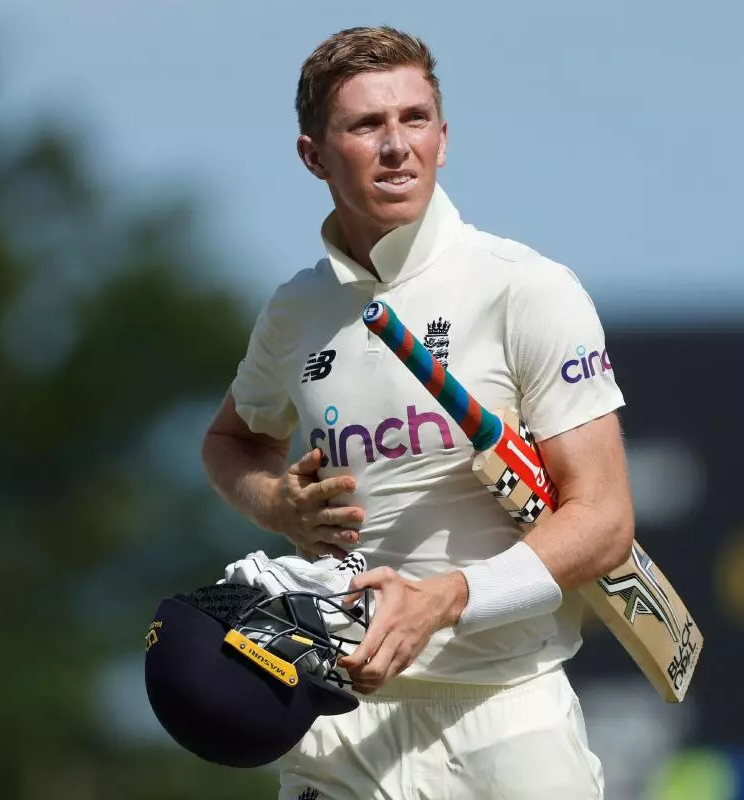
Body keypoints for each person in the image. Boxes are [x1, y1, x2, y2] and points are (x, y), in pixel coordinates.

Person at [200, 25, 635, 800]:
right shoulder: (297, 310)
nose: (397, 145)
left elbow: (603, 520)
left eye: (415, 118)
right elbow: (231, 442)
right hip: (339, 719)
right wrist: (279, 504)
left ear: (443, 137)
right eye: (367, 125)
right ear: (314, 156)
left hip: (508, 710)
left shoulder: (525, 288)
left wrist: (446, 600)